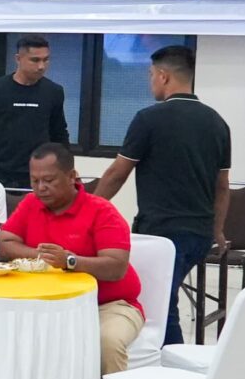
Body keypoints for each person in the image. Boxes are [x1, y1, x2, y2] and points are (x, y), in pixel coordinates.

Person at [95, 45, 231, 346]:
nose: (150, 81)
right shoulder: (217, 122)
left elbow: (118, 172)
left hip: (162, 232)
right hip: (199, 233)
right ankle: (164, 365)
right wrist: (217, 229)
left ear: (163, 75)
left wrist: (90, 208)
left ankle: (171, 371)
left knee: (160, 306)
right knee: (164, 302)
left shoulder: (149, 119)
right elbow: (223, 186)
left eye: (150, 75)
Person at [0, 143, 144, 373]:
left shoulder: (101, 210)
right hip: (44, 305)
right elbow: (4, 242)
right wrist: (42, 256)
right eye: (34, 181)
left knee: (108, 342)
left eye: (49, 180)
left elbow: (117, 267)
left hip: (107, 305)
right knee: (4, 336)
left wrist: (70, 261)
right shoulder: (31, 204)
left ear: (72, 176)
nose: (41, 188)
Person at [0, 37, 70, 184]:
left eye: (46, 60)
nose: (41, 66)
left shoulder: (54, 91)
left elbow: (59, 133)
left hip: (41, 173)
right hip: (2, 172)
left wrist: (66, 168)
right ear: (18, 59)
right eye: (35, 60)